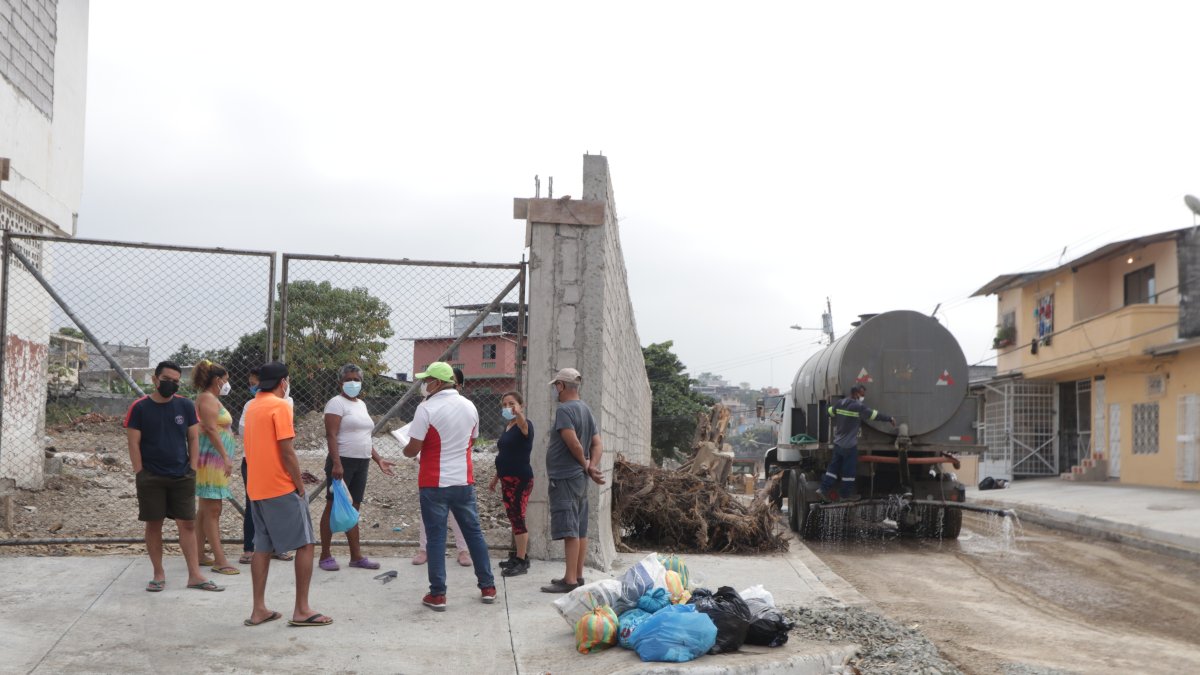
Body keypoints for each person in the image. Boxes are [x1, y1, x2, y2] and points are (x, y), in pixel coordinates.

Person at [401, 361, 495, 611]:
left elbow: (413, 449)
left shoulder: (426, 408)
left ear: (439, 382)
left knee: (436, 538)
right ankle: (488, 587)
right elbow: (471, 441)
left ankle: (438, 594)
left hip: (433, 482)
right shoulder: (470, 406)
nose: (424, 384)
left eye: (428, 380)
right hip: (463, 481)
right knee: (474, 533)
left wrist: (405, 448)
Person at [243, 361, 331, 627]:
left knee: (262, 546)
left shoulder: (253, 406)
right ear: (283, 382)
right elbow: (286, 451)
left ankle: (259, 609)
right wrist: (299, 484)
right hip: (280, 487)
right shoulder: (280, 406)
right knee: (305, 544)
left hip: (257, 487)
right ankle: (301, 609)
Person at [124, 360, 222, 593]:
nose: (171, 385)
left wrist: (193, 468)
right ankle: (158, 574)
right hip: (151, 477)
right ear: (155, 379)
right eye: (167, 380)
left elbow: (194, 438)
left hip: (182, 476)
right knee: (154, 525)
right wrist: (140, 472)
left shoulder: (186, 406)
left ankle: (195, 575)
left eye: (176, 381)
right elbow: (133, 443)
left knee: (187, 524)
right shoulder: (139, 408)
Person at [318, 364, 396, 571]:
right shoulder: (336, 403)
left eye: (357, 379)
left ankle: (356, 556)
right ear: (340, 382)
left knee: (354, 509)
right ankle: (325, 555)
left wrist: (378, 459)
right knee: (332, 505)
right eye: (349, 379)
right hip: (342, 462)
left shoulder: (361, 404)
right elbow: (331, 435)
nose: (353, 383)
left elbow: (365, 437)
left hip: (362, 462)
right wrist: (336, 463)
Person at [540, 367, 604, 594]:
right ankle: (577, 575)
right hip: (578, 478)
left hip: (565, 477)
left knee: (570, 529)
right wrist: (591, 466)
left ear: (561, 386)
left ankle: (569, 581)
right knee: (580, 527)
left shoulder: (565, 410)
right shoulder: (586, 410)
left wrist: (586, 465)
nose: (555, 391)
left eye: (556, 386)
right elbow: (597, 443)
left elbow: (574, 443)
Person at [413, 366, 471, 567]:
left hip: (456, 471)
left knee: (458, 515)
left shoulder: (466, 407)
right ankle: (424, 549)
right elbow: (418, 439)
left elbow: (471, 440)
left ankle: (463, 550)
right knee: (427, 514)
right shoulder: (426, 406)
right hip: (432, 469)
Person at [235, 367, 293, 565]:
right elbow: (243, 430)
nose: (254, 388)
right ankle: (250, 548)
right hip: (253, 460)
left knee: (277, 505)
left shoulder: (287, 403)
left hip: (276, 462)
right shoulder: (251, 404)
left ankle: (278, 546)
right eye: (251, 384)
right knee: (253, 504)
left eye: (256, 384)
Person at [192, 359, 239, 576]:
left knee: (205, 509)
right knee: (213, 509)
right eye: (226, 380)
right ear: (217, 380)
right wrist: (225, 457)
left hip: (212, 459)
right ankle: (220, 560)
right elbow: (210, 429)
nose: (227, 384)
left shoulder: (209, 398)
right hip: (211, 461)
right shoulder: (208, 399)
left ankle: (199, 553)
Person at [817, 384, 898, 502]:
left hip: (838, 444)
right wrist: (889, 419)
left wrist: (828, 402)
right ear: (856, 394)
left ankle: (823, 489)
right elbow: (874, 415)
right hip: (849, 446)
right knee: (849, 472)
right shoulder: (858, 406)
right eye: (862, 394)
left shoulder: (841, 403)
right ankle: (845, 495)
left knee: (832, 469)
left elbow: (829, 412)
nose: (863, 397)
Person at [489, 390, 534, 577]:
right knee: (513, 517)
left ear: (520, 405)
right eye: (504, 404)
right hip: (506, 479)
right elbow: (504, 456)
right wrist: (495, 478)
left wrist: (519, 414)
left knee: (518, 517)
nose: (507, 407)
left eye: (511, 403)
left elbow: (523, 425)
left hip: (520, 479)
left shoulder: (525, 425)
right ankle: (518, 556)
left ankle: (522, 561)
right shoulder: (508, 426)